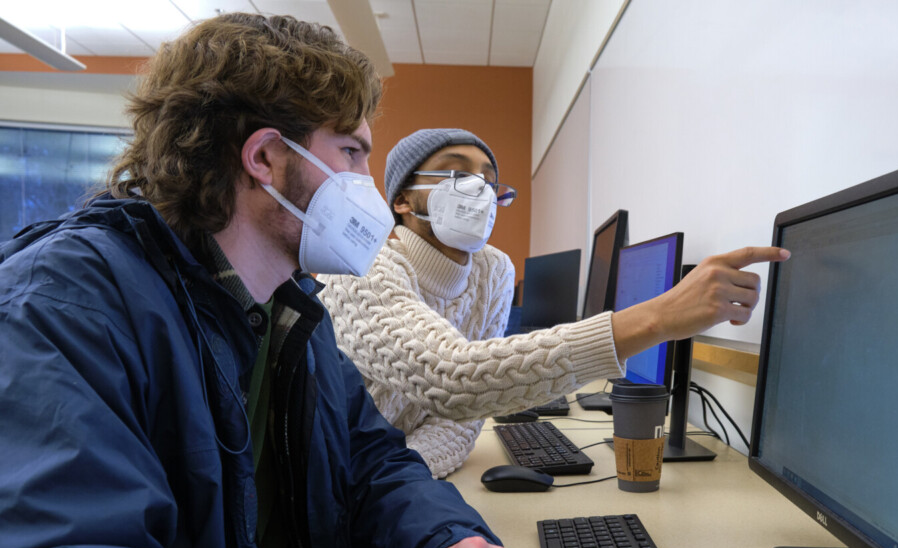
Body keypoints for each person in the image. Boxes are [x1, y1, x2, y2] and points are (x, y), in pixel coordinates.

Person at [0, 13, 665, 548]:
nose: (367, 185)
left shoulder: (290, 307)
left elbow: (370, 462)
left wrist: (444, 536)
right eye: (351, 152)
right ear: (264, 158)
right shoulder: (63, 309)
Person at [321, 129, 789, 477]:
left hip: (384, 479)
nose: (479, 188)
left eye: (489, 179)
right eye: (458, 172)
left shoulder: (493, 271)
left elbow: (461, 418)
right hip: (331, 481)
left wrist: (399, 479)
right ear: (402, 199)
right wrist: (657, 317)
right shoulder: (361, 269)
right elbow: (453, 379)